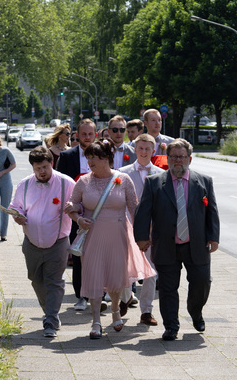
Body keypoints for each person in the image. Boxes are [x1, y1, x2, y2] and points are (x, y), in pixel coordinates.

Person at [65, 141, 156, 339]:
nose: (90, 162)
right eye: (88, 158)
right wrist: (78, 218)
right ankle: (96, 320)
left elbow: (134, 208)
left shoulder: (123, 179)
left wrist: (143, 235)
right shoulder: (83, 181)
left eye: (94, 157)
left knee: (116, 277)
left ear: (106, 158)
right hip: (92, 235)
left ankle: (115, 310)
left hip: (118, 234)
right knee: (94, 276)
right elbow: (72, 205)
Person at [134, 138, 220, 341]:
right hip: (166, 244)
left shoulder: (204, 181)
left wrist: (213, 237)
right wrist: (141, 238)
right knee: (167, 289)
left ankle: (196, 312)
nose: (178, 161)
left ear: (189, 159)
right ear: (168, 159)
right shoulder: (154, 183)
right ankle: (171, 326)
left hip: (196, 244)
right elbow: (143, 212)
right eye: (173, 157)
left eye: (181, 157)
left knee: (202, 283)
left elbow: (212, 211)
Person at [8, 147, 76, 338]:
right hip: (31, 242)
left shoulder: (66, 183)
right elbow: (16, 206)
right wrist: (18, 215)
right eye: (38, 168)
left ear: (51, 163)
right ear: (33, 168)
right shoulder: (24, 184)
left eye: (45, 167)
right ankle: (50, 311)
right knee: (36, 280)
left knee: (54, 281)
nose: (42, 172)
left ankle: (51, 320)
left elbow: (78, 203)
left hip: (58, 242)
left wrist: (74, 207)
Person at [119, 133, 164, 326]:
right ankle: (125, 297)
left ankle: (146, 311)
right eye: (140, 148)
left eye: (147, 149)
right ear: (135, 150)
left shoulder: (161, 174)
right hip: (128, 226)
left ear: (153, 151)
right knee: (125, 267)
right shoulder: (123, 173)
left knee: (151, 270)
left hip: (152, 229)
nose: (144, 152)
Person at [56, 119, 97, 311]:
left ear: (95, 135)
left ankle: (99, 293)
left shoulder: (103, 154)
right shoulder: (67, 156)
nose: (87, 137)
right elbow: (61, 184)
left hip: (99, 212)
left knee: (99, 254)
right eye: (84, 134)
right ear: (77, 135)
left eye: (90, 134)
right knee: (79, 254)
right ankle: (81, 296)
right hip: (76, 214)